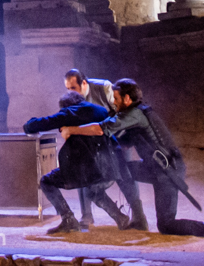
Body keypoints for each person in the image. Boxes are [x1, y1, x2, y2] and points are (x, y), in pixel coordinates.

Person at [61, 79, 204, 238]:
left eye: (116, 99)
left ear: (127, 99)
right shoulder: (133, 115)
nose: (113, 103)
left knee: (166, 225)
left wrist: (73, 130)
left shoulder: (135, 114)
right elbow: (121, 141)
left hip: (167, 170)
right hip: (153, 167)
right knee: (123, 170)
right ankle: (138, 219)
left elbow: (103, 128)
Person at [23, 91, 131, 234]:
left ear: (65, 105)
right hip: (109, 166)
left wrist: (28, 125)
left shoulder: (69, 113)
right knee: (94, 190)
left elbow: (42, 123)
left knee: (46, 181)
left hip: (85, 168)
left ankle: (68, 220)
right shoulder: (101, 110)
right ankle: (120, 217)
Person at [65, 69, 147, 230]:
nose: (70, 92)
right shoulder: (72, 100)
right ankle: (87, 215)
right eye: (67, 89)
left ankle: (139, 215)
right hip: (93, 141)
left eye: (73, 88)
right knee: (82, 169)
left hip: (117, 136)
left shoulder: (104, 88)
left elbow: (121, 113)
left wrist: (117, 136)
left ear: (83, 83)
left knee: (125, 174)